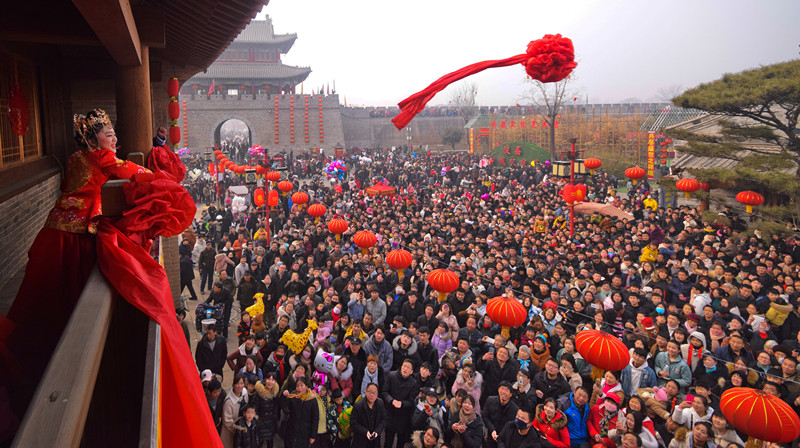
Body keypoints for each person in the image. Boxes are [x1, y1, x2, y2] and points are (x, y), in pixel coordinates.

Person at [0, 109, 152, 420]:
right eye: (110, 135)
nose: (115, 139)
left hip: (54, 230)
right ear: (95, 138)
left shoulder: (75, 157)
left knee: (43, 295)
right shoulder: (101, 157)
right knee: (68, 291)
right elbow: (138, 173)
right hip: (75, 235)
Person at [382, 359, 420, 448]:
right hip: (390, 413)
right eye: (404, 366)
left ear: (411, 372)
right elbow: (384, 392)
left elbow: (411, 401)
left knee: (400, 442)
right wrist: (391, 400)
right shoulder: (391, 375)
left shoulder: (414, 383)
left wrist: (402, 404)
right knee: (388, 441)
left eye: (408, 367)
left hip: (403, 416)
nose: (405, 369)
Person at [283, 377, 319, 448]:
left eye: (301, 385)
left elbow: (315, 419)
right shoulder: (293, 396)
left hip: (305, 432)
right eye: (297, 386)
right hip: (291, 431)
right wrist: (285, 397)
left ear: (306, 386)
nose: (299, 388)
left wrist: (313, 436)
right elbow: (285, 408)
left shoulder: (312, 399)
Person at [484, 382, 521, 448]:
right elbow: (485, 417)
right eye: (502, 389)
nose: (503, 392)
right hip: (491, 435)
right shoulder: (490, 400)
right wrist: (492, 430)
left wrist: (501, 435)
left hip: (505, 440)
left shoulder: (515, 409)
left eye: (506, 390)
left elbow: (513, 426)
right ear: (498, 390)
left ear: (510, 394)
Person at [351, 382, 388, 448]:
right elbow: (353, 423)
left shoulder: (380, 403)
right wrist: (365, 432)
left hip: (375, 440)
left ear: (377, 395)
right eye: (370, 392)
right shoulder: (358, 405)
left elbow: (384, 419)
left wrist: (377, 431)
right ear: (365, 392)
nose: (371, 395)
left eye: (374, 393)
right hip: (361, 440)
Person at [250, 372, 280, 448]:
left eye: (272, 380)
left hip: (271, 423)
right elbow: (254, 407)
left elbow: (276, 406)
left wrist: (274, 417)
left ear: (275, 382)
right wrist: (257, 420)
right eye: (269, 379)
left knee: (270, 441)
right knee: (259, 442)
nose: (270, 382)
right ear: (265, 380)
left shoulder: (275, 393)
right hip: (261, 422)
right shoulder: (259, 392)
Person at [221, 375, 249, 447]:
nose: (240, 386)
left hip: (242, 433)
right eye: (237, 384)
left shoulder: (245, 395)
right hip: (230, 433)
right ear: (233, 385)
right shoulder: (228, 402)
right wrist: (238, 430)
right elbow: (227, 421)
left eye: (241, 383)